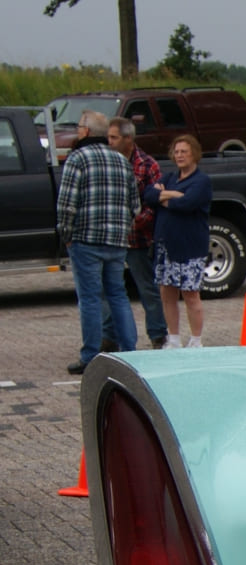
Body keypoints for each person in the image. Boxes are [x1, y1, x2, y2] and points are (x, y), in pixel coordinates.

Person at [56, 109, 138, 374]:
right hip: (116, 241)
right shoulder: (122, 162)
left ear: (87, 131)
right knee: (118, 294)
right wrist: (122, 228)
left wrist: (66, 236)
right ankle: (130, 351)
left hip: (85, 239)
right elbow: (134, 206)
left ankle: (91, 354)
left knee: (90, 298)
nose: (78, 130)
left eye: (80, 126)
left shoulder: (77, 159)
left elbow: (67, 204)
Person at [103, 117, 168, 350]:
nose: (109, 142)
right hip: (110, 238)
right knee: (109, 288)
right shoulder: (107, 162)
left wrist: (131, 224)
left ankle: (158, 334)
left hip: (138, 238)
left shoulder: (146, 165)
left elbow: (154, 203)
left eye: (114, 137)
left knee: (147, 288)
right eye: (108, 137)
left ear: (128, 139)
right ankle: (109, 337)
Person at [146, 135, 213, 348]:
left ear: (194, 153)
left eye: (184, 151)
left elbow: (187, 204)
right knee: (167, 292)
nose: (180, 155)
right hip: (166, 245)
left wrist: (164, 198)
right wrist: (173, 194)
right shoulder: (170, 178)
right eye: (176, 152)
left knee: (191, 294)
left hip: (190, 246)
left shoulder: (202, 181)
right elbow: (148, 195)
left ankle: (195, 340)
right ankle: (173, 338)